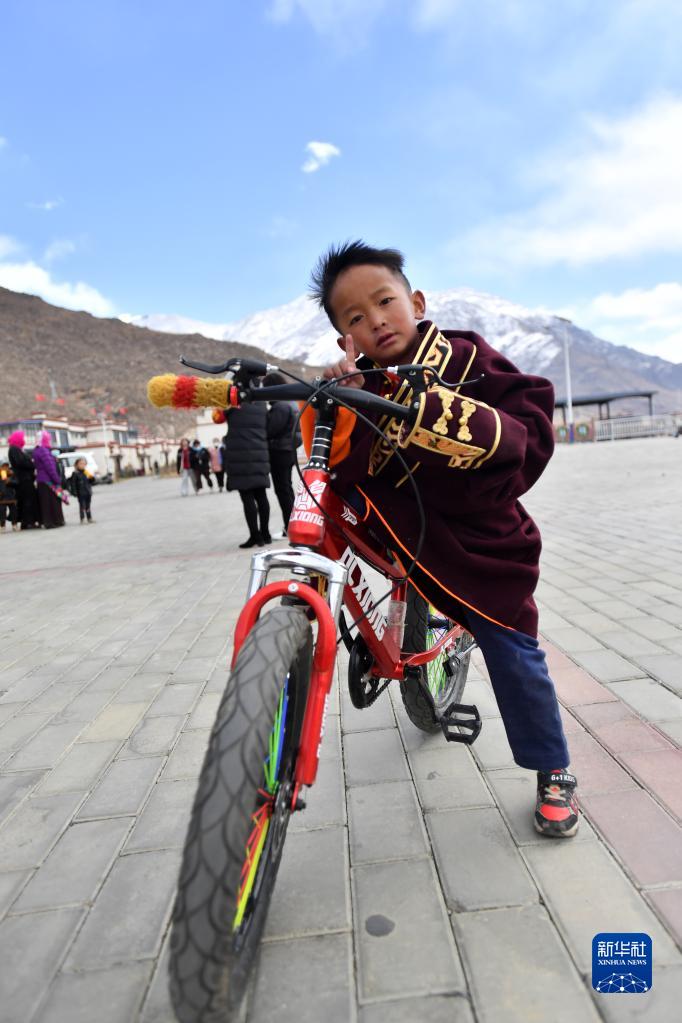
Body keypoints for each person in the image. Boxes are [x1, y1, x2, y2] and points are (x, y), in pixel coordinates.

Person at [309, 240, 579, 838]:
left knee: (511, 646)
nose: (376, 320)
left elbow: (529, 420)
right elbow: (348, 470)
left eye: (385, 301)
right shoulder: (360, 383)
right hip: (408, 539)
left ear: (417, 302)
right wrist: (340, 397)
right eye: (356, 316)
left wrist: (453, 419)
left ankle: (553, 767)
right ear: (344, 337)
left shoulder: (465, 356)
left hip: (483, 543)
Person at [221, 403, 271, 548]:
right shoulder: (261, 405)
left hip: (240, 456)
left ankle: (255, 536)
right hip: (260, 453)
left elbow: (217, 417)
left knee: (247, 496)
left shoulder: (233, 405)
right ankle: (265, 534)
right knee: (261, 495)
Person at [262, 371, 301, 533]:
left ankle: (290, 527)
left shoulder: (280, 406)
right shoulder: (290, 402)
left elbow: (271, 430)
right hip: (289, 450)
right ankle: (294, 524)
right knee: (287, 489)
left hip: (280, 451)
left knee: (282, 490)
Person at [8, 430, 40, 529]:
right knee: (27, 501)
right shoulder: (14, 449)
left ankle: (27, 522)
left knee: (27, 500)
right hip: (23, 480)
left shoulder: (17, 449)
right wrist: (32, 464)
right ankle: (28, 522)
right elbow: (20, 462)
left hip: (26, 479)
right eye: (22, 437)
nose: (23, 439)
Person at [32, 431, 65, 528]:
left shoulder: (36, 450)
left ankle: (48, 522)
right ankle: (55, 521)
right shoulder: (44, 451)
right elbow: (50, 467)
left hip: (41, 480)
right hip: (48, 480)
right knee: (53, 502)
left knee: (45, 503)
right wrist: (57, 480)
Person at [69, 457, 94, 523]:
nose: (82, 465)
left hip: (88, 492)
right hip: (81, 493)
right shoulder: (75, 473)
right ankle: (82, 518)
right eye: (81, 464)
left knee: (88, 505)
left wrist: (91, 477)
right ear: (77, 465)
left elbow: (91, 481)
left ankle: (89, 518)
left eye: (84, 464)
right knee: (82, 506)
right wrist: (74, 492)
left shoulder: (86, 472)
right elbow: (73, 483)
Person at [0, 462, 19, 532]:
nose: (5, 468)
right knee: (2, 512)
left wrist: (10, 481)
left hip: (11, 496)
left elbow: (17, 482)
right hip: (2, 496)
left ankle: (14, 524)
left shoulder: (12, 474)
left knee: (14, 511)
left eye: (7, 466)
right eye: (3, 466)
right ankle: (2, 525)